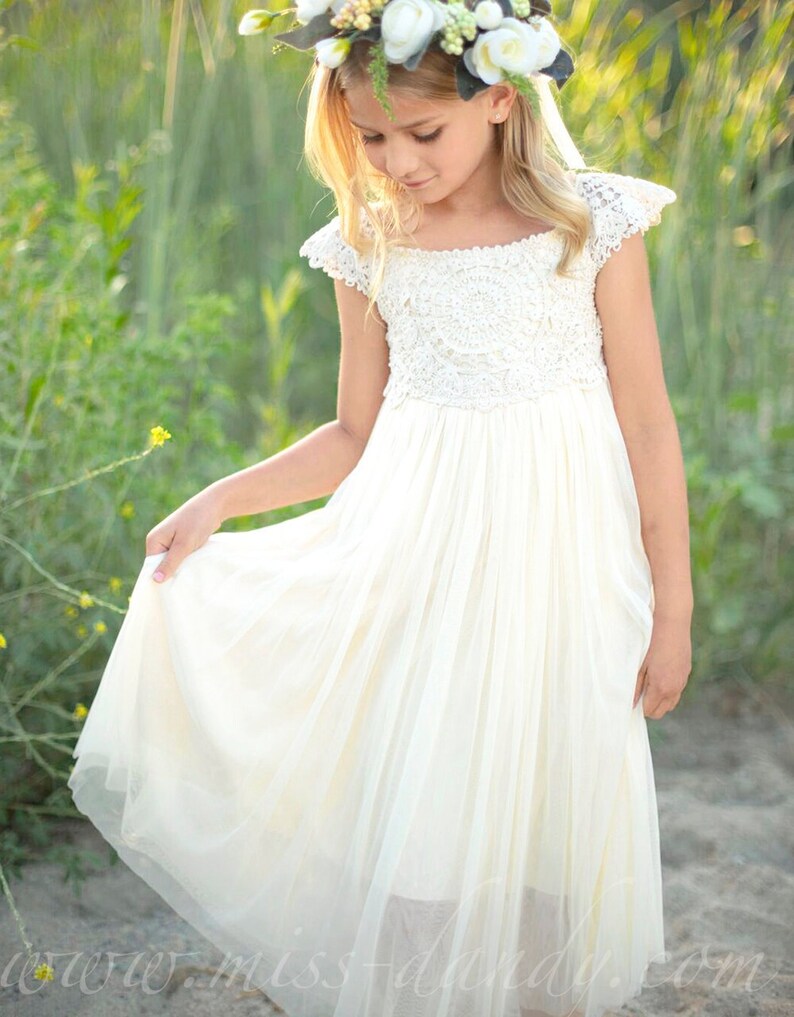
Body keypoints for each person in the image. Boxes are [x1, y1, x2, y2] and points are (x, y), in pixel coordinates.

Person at [68, 3, 693, 1016]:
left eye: (421, 133)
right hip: (420, 563)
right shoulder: (369, 244)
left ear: (498, 99)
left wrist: (672, 609)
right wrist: (219, 501)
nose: (396, 161)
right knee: (431, 811)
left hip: (560, 570)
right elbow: (352, 434)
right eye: (369, 137)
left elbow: (647, 424)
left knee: (548, 807)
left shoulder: (590, 225)